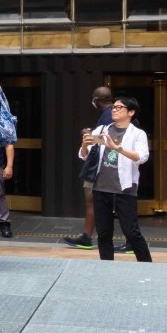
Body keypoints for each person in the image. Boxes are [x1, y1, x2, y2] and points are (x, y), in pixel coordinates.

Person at [81, 96, 153, 263]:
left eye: (120, 107)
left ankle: (148, 265)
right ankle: (107, 265)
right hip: (100, 187)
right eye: (114, 107)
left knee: (131, 231)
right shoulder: (102, 129)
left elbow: (142, 157)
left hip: (125, 188)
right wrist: (85, 145)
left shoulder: (137, 134)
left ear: (131, 112)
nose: (114, 110)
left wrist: (117, 148)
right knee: (104, 232)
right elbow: (85, 156)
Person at [64, 86, 116, 249]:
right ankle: (87, 236)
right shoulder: (109, 115)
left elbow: (109, 140)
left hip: (100, 166)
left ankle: (89, 237)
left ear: (96, 99)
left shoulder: (108, 116)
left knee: (93, 201)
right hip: (101, 165)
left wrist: (89, 134)